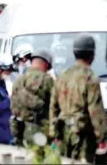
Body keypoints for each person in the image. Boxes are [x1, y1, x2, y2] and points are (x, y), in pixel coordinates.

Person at [49, 34, 106, 163]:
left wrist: (54, 132)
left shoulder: (63, 76)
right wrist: (101, 137)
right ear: (92, 55)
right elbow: (95, 111)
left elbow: (53, 106)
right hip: (83, 134)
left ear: (74, 53)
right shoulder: (90, 78)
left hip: (64, 132)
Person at [11, 50, 54, 146]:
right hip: (39, 132)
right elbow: (54, 106)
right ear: (46, 64)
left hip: (18, 130)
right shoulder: (47, 80)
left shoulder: (18, 80)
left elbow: (13, 106)